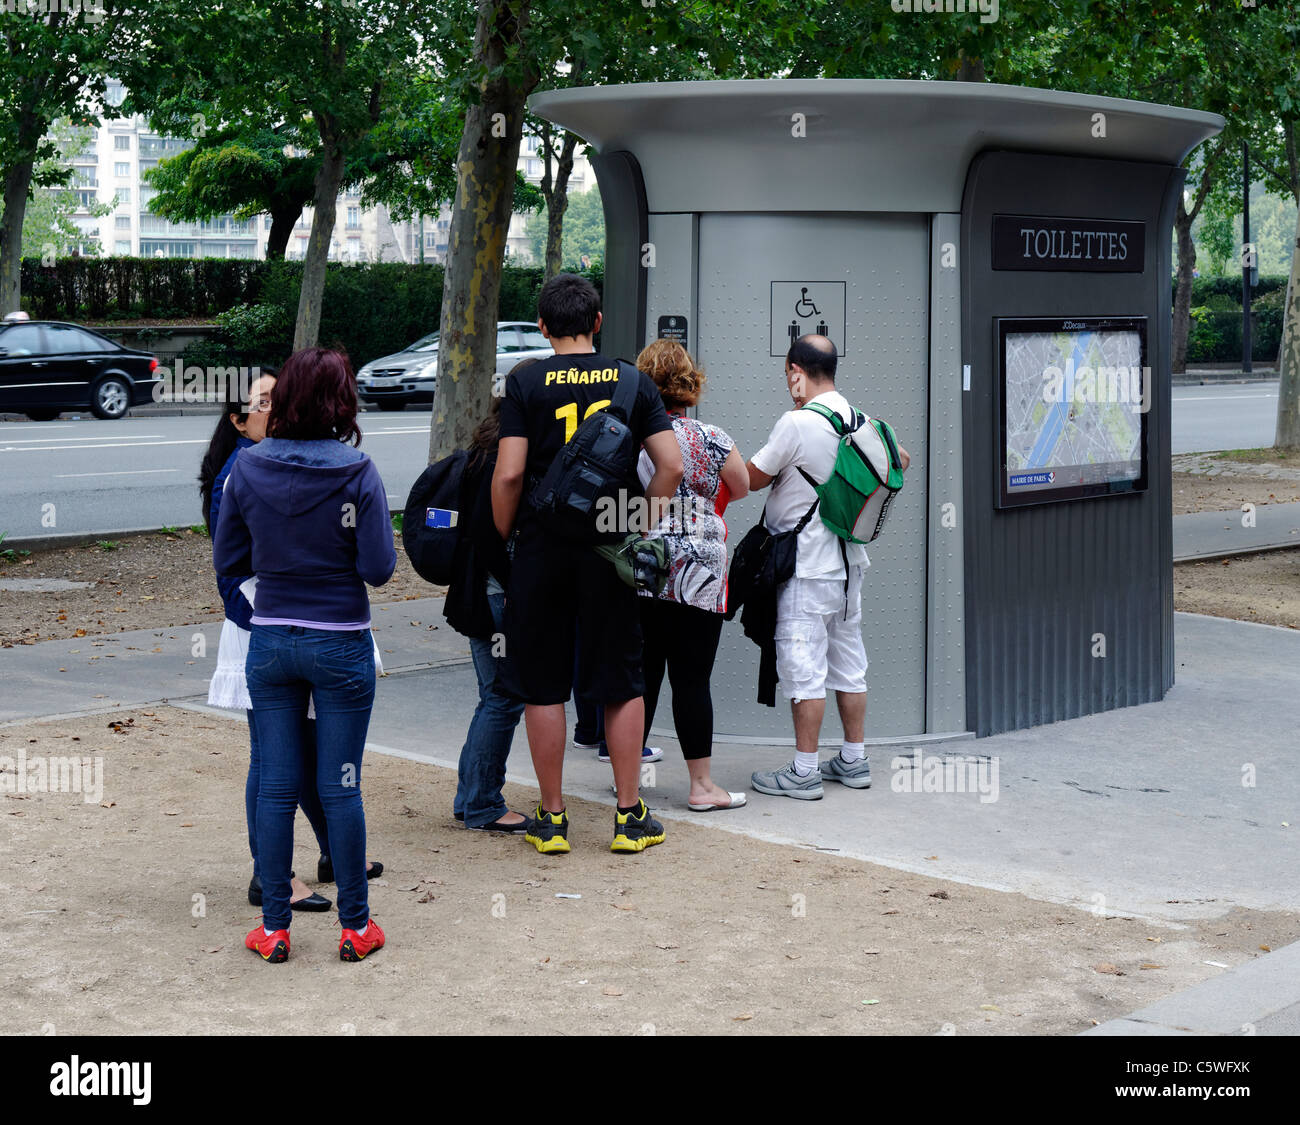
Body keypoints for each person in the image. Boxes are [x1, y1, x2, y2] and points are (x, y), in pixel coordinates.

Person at [492, 273, 684, 854]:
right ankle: (629, 818)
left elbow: (509, 473)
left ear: (544, 326)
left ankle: (552, 821)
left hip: (542, 546)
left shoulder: (524, 381)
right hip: (607, 547)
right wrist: (635, 524)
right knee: (621, 679)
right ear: (597, 323)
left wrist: (510, 534)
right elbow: (670, 466)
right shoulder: (633, 381)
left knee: (543, 682)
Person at [214, 348, 395, 963]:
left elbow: (229, 562)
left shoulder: (249, 468)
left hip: (270, 643)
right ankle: (355, 926)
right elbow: (379, 569)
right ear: (342, 401)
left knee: (274, 785)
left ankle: (273, 929)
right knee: (340, 786)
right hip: (340, 639)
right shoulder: (358, 470)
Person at [744, 334, 909, 800]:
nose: (787, 384)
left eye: (787, 376)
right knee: (849, 664)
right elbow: (902, 460)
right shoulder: (864, 420)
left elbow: (752, 478)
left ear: (797, 371)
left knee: (804, 668)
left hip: (807, 567)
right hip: (850, 563)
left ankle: (804, 771)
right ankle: (854, 761)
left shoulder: (796, 422)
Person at [201, 370, 331, 913]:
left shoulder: (268, 461)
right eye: (264, 405)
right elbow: (231, 567)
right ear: (238, 420)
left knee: (297, 749)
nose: (277, 412)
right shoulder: (240, 471)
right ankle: (270, 877)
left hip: (281, 621)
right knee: (272, 755)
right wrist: (271, 613)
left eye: (281, 401)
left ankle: (329, 854)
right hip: (262, 626)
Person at [633, 339, 750, 811]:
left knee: (641, 675)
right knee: (692, 679)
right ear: (688, 384)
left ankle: (628, 778)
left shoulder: (631, 435)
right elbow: (741, 486)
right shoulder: (713, 436)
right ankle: (702, 787)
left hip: (646, 563)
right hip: (701, 569)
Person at [445, 393, 530, 833]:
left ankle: (469, 797)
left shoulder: (478, 455)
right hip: (499, 594)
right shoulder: (507, 461)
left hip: (476, 594)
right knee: (503, 698)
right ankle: (481, 802)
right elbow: (497, 536)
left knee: (493, 697)